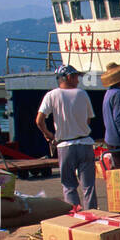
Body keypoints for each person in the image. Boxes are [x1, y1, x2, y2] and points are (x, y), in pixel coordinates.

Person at [36, 64, 97, 209]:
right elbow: (88, 119)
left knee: (69, 186)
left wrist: (48, 134)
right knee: (89, 186)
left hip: (65, 146)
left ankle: (74, 215)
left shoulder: (52, 95)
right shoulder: (82, 94)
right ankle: (93, 215)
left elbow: (39, 120)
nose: (78, 80)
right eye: (76, 77)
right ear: (68, 77)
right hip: (85, 143)